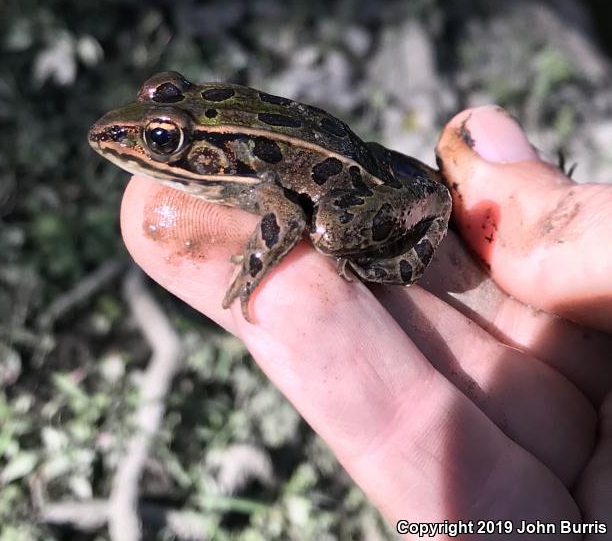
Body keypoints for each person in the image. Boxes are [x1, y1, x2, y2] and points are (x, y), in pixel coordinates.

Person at [120, 106, 611, 537]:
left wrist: (253, 264)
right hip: (361, 158)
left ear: (209, 152)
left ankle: (418, 236)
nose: (138, 143)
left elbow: (287, 217)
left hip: (343, 182)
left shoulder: (246, 172)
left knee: (329, 233)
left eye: (162, 139)